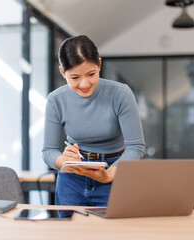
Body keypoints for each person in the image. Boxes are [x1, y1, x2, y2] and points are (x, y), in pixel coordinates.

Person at [42, 35, 145, 210]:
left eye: (91, 74)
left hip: (114, 172)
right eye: (74, 78)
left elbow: (136, 148)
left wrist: (109, 175)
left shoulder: (120, 94)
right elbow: (48, 151)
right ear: (62, 72)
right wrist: (63, 160)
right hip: (71, 180)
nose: (84, 84)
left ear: (99, 64)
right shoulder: (56, 100)